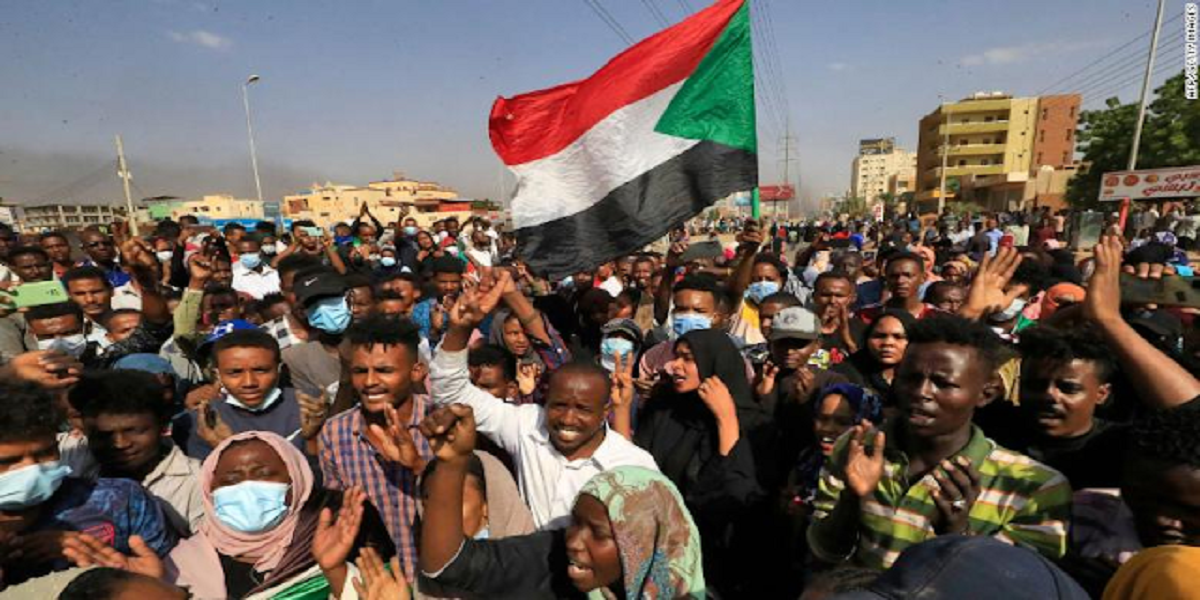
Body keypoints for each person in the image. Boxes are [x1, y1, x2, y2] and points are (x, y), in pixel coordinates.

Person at [808, 315, 1071, 570]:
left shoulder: (1034, 488)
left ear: (986, 393)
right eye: (911, 378)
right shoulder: (856, 449)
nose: (921, 393)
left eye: (942, 383)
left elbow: (1014, 587)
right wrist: (852, 500)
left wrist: (957, 534)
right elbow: (826, 552)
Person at [431, 281, 658, 530]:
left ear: (605, 412)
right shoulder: (527, 425)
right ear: (545, 400)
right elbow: (451, 393)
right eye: (559, 405)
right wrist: (459, 330)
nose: (568, 419)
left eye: (583, 409)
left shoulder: (634, 465)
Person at [418, 404, 705, 599]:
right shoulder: (554, 559)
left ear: (643, 543)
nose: (574, 541)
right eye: (575, 522)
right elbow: (448, 565)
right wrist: (452, 464)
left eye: (599, 533)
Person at [148, 431, 394, 598]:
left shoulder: (332, 535)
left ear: (296, 481)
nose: (247, 487)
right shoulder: (181, 563)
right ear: (209, 490)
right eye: (231, 480)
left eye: (263, 473)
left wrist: (335, 570)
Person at [634, 328, 775, 596]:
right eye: (676, 356)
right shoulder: (665, 409)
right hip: (658, 545)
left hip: (717, 557)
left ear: (715, 364)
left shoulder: (755, 424)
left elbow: (737, 493)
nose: (673, 365)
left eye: (688, 358)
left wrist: (725, 419)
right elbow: (636, 467)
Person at [0, 381, 176, 587]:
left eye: (45, 453)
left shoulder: (122, 500)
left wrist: (138, 578)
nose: (32, 470)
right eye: (7, 461)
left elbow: (172, 577)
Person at [319, 314, 435, 580]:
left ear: (416, 371)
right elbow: (340, 514)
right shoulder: (336, 433)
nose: (370, 382)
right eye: (360, 371)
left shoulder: (439, 420)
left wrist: (419, 466)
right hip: (380, 583)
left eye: (384, 371)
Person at [71, 370, 205, 536]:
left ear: (162, 425)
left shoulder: (198, 482)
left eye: (134, 431)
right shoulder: (72, 461)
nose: (120, 444)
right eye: (104, 435)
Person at [172, 327, 304, 460]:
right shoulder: (198, 424)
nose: (249, 382)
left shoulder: (309, 409)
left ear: (278, 369)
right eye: (235, 372)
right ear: (218, 375)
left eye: (260, 370)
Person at [833, 309, 914, 407]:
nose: (888, 343)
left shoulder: (922, 377)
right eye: (879, 336)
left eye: (898, 337)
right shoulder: (845, 374)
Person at [856, 252, 938, 323]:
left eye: (908, 276)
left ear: (923, 278)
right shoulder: (865, 316)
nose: (900, 281)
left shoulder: (937, 317)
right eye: (894, 276)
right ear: (886, 279)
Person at [812, 272, 864, 366]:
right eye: (825, 295)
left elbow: (864, 366)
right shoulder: (801, 327)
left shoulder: (861, 330)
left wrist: (847, 340)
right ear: (814, 296)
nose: (832, 301)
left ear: (851, 298)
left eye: (839, 296)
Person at [231, 236, 281, 300]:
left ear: (260, 252)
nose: (247, 255)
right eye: (243, 253)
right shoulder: (234, 276)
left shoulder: (274, 274)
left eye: (251, 252)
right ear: (237, 254)